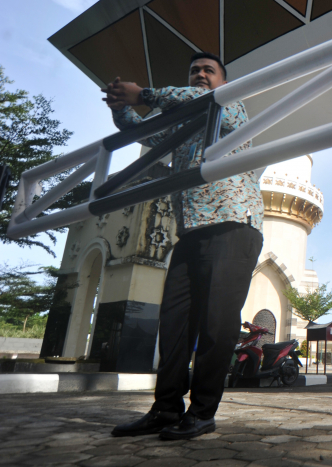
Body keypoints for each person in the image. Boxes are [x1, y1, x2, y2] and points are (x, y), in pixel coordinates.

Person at [104, 52, 264, 440]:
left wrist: (144, 93)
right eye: (194, 71)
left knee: (216, 323)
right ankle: (165, 409)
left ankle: (203, 411)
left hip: (231, 224)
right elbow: (145, 133)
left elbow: (194, 101)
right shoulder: (185, 124)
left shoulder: (232, 106)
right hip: (190, 232)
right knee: (173, 324)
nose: (200, 75)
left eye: (208, 71)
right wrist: (122, 107)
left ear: (223, 82)